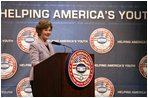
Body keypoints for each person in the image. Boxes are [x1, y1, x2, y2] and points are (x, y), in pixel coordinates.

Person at [29, 20, 54, 96]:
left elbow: (53, 61)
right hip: (38, 79)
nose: (48, 32)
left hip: (49, 79)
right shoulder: (34, 45)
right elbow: (34, 63)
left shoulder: (50, 45)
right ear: (40, 31)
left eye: (49, 30)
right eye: (45, 30)